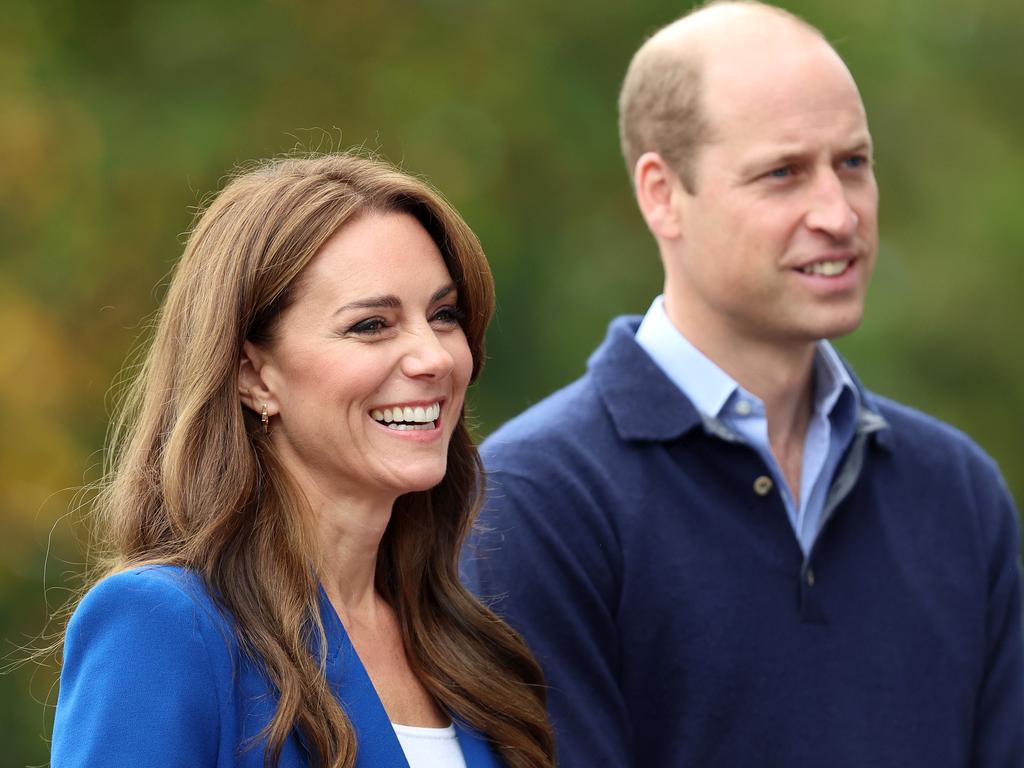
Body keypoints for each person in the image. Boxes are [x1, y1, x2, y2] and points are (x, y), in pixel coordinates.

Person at [461, 2, 1024, 766]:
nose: (838, 213)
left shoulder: (957, 492)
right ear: (661, 193)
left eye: (853, 163)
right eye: (783, 173)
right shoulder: (538, 503)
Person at [51, 153, 555, 768]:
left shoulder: (468, 644)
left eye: (443, 315)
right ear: (253, 376)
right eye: (372, 324)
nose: (436, 358)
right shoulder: (163, 627)